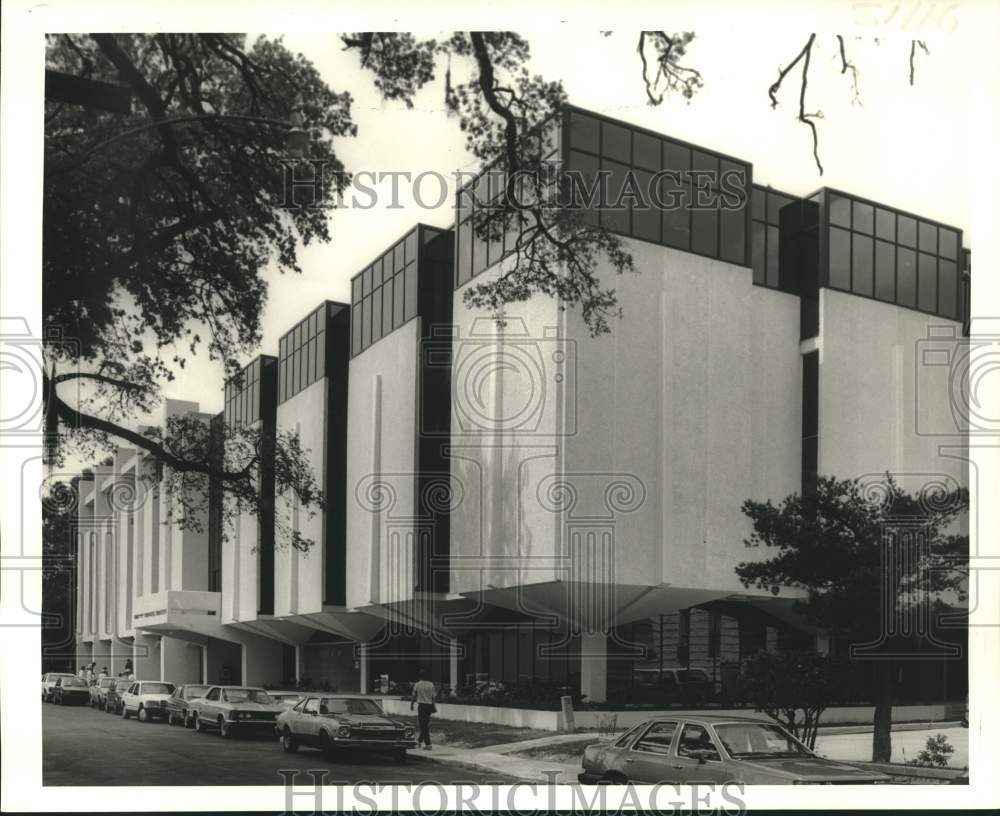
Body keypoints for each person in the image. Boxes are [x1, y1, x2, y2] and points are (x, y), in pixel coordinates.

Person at [409, 670, 437, 750]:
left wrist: (411, 704)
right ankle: (419, 741)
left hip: (421, 706)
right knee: (425, 724)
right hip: (429, 706)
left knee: (423, 725)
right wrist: (434, 706)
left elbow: (414, 696)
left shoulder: (417, 684)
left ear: (420, 676)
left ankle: (428, 744)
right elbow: (433, 697)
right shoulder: (431, 684)